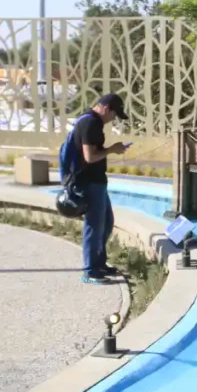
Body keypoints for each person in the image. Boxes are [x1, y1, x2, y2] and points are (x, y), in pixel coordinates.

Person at [71, 93, 130, 284]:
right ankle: (90, 271)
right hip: (89, 182)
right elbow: (90, 157)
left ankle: (99, 263)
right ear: (106, 108)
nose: (113, 119)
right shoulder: (90, 124)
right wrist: (112, 149)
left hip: (97, 181)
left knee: (106, 223)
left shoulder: (92, 122)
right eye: (114, 115)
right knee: (94, 227)